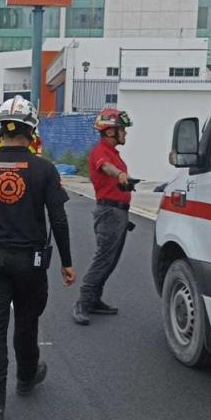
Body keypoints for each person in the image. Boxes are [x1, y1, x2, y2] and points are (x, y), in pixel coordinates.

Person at [0, 95, 76, 420]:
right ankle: (27, 377)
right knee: (27, 322)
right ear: (32, 131)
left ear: (1, 131)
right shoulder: (44, 169)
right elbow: (58, 218)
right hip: (32, 263)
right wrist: (67, 263)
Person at [73, 108, 135, 325]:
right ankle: (83, 301)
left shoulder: (115, 153)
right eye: (122, 130)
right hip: (109, 213)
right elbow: (105, 168)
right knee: (103, 259)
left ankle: (95, 299)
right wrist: (119, 174)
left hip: (118, 213)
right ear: (109, 132)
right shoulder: (100, 151)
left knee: (111, 260)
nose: (125, 134)